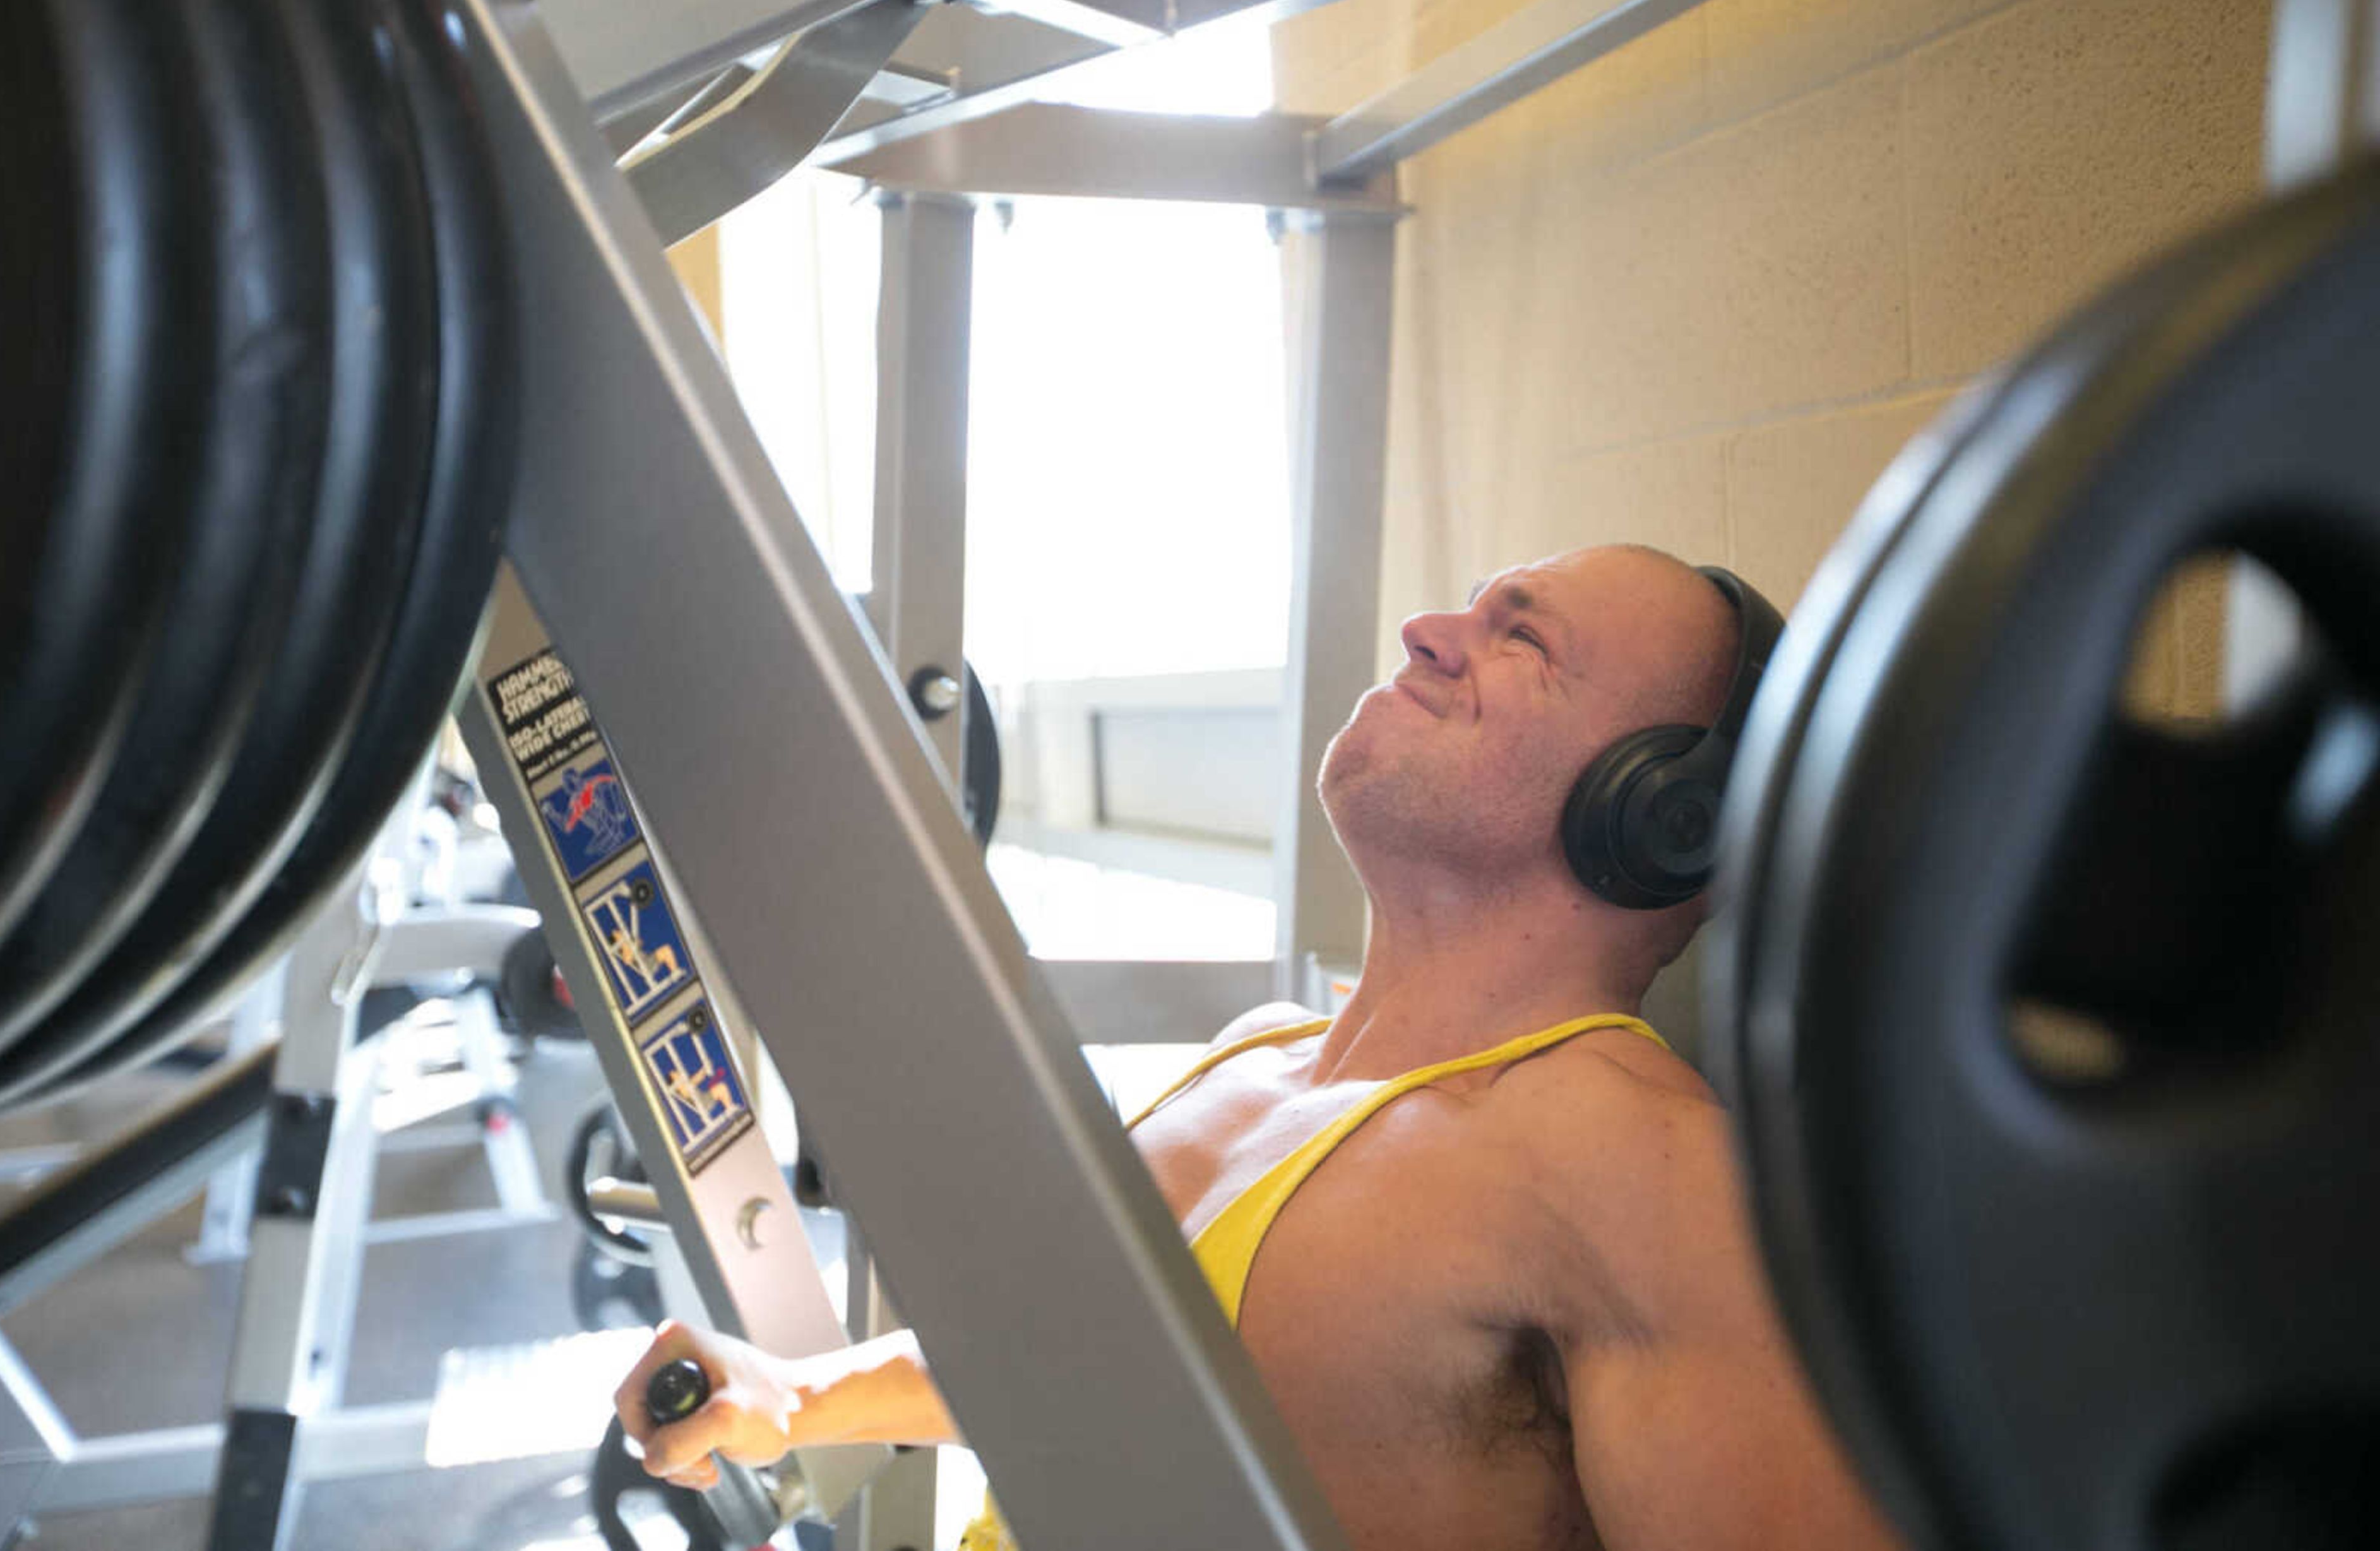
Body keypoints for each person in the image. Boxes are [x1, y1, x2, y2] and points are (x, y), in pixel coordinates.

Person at [614, 545, 1900, 1551]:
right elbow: (1091, 1362)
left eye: (1525, 638)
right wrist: (797, 1394)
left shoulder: (1631, 1164)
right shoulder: (1259, 1054)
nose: (1429, 632)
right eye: (1469, 604)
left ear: (1661, 816)